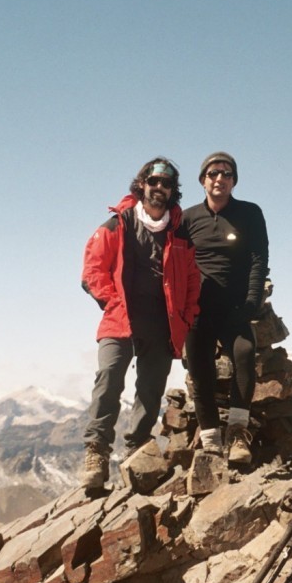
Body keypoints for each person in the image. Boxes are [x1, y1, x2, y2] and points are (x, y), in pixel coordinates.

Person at [79, 157, 201, 489]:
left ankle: (137, 452)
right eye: (154, 182)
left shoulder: (180, 234)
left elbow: (192, 279)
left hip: (162, 324)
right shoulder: (118, 224)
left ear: (172, 191)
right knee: (109, 378)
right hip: (121, 320)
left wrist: (186, 316)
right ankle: (97, 453)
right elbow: (92, 270)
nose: (159, 188)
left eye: (166, 184)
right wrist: (113, 302)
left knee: (150, 390)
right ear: (142, 184)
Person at [183, 152, 269, 465]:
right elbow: (175, 260)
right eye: (213, 173)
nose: (220, 179)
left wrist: (252, 301)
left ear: (233, 181)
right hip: (198, 308)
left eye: (227, 174)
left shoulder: (249, 213)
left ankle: (237, 432)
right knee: (200, 368)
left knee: (245, 355)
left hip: (236, 306)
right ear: (203, 180)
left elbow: (259, 259)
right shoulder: (188, 218)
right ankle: (210, 439)